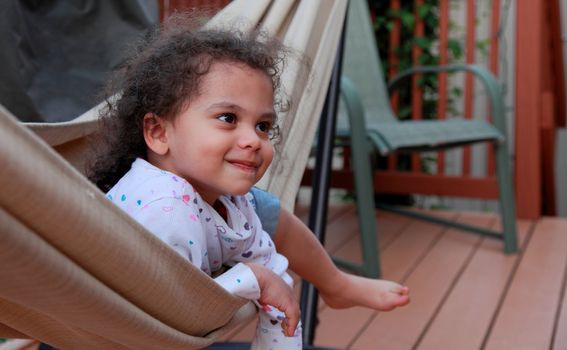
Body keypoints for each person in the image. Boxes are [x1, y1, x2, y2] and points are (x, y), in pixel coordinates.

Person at [87, 13, 409, 349]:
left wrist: (271, 287)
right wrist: (253, 279)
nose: (254, 140)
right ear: (158, 133)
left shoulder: (227, 201)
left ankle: (336, 284)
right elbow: (173, 316)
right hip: (109, 338)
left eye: (263, 126)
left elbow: (269, 265)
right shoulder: (165, 208)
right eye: (228, 118)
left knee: (262, 207)